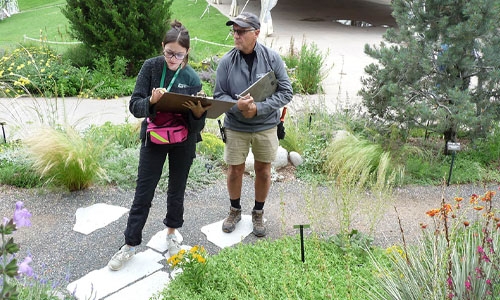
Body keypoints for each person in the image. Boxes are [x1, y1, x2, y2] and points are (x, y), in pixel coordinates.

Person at [108, 20, 210, 271]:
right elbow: (135, 106)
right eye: (169, 52)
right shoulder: (151, 67)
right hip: (154, 138)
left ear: (187, 52)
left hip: (182, 141)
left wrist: (198, 114)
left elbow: (197, 129)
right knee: (143, 192)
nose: (173, 58)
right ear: (162, 46)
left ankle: (172, 234)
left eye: (179, 54)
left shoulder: (192, 77)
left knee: (177, 190)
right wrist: (151, 102)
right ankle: (130, 245)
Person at [213, 12, 293, 237]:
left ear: (256, 33)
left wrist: (259, 108)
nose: (235, 36)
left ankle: (258, 212)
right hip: (236, 125)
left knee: (263, 170)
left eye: (241, 31)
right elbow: (219, 95)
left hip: (266, 124)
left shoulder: (272, 59)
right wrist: (238, 105)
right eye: (234, 31)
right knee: (235, 170)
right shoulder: (227, 61)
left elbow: (286, 91)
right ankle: (234, 210)